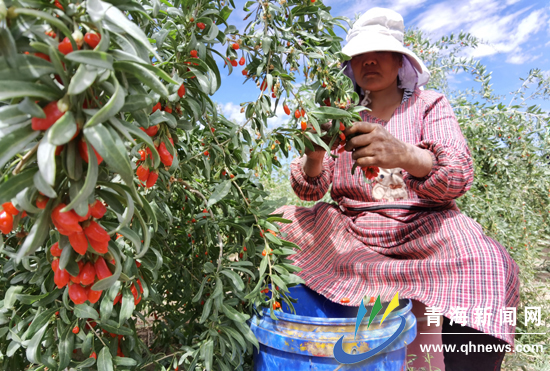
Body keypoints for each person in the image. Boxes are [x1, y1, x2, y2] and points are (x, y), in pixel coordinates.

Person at [272, 7, 520, 371]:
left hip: (424, 228)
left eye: (380, 52)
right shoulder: (340, 114)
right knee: (277, 223)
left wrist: (404, 153)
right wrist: (313, 156)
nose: (369, 61)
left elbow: (457, 176)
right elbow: (310, 190)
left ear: (401, 60)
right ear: (350, 64)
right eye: (360, 55)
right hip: (352, 229)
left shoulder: (429, 105)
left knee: (490, 265)